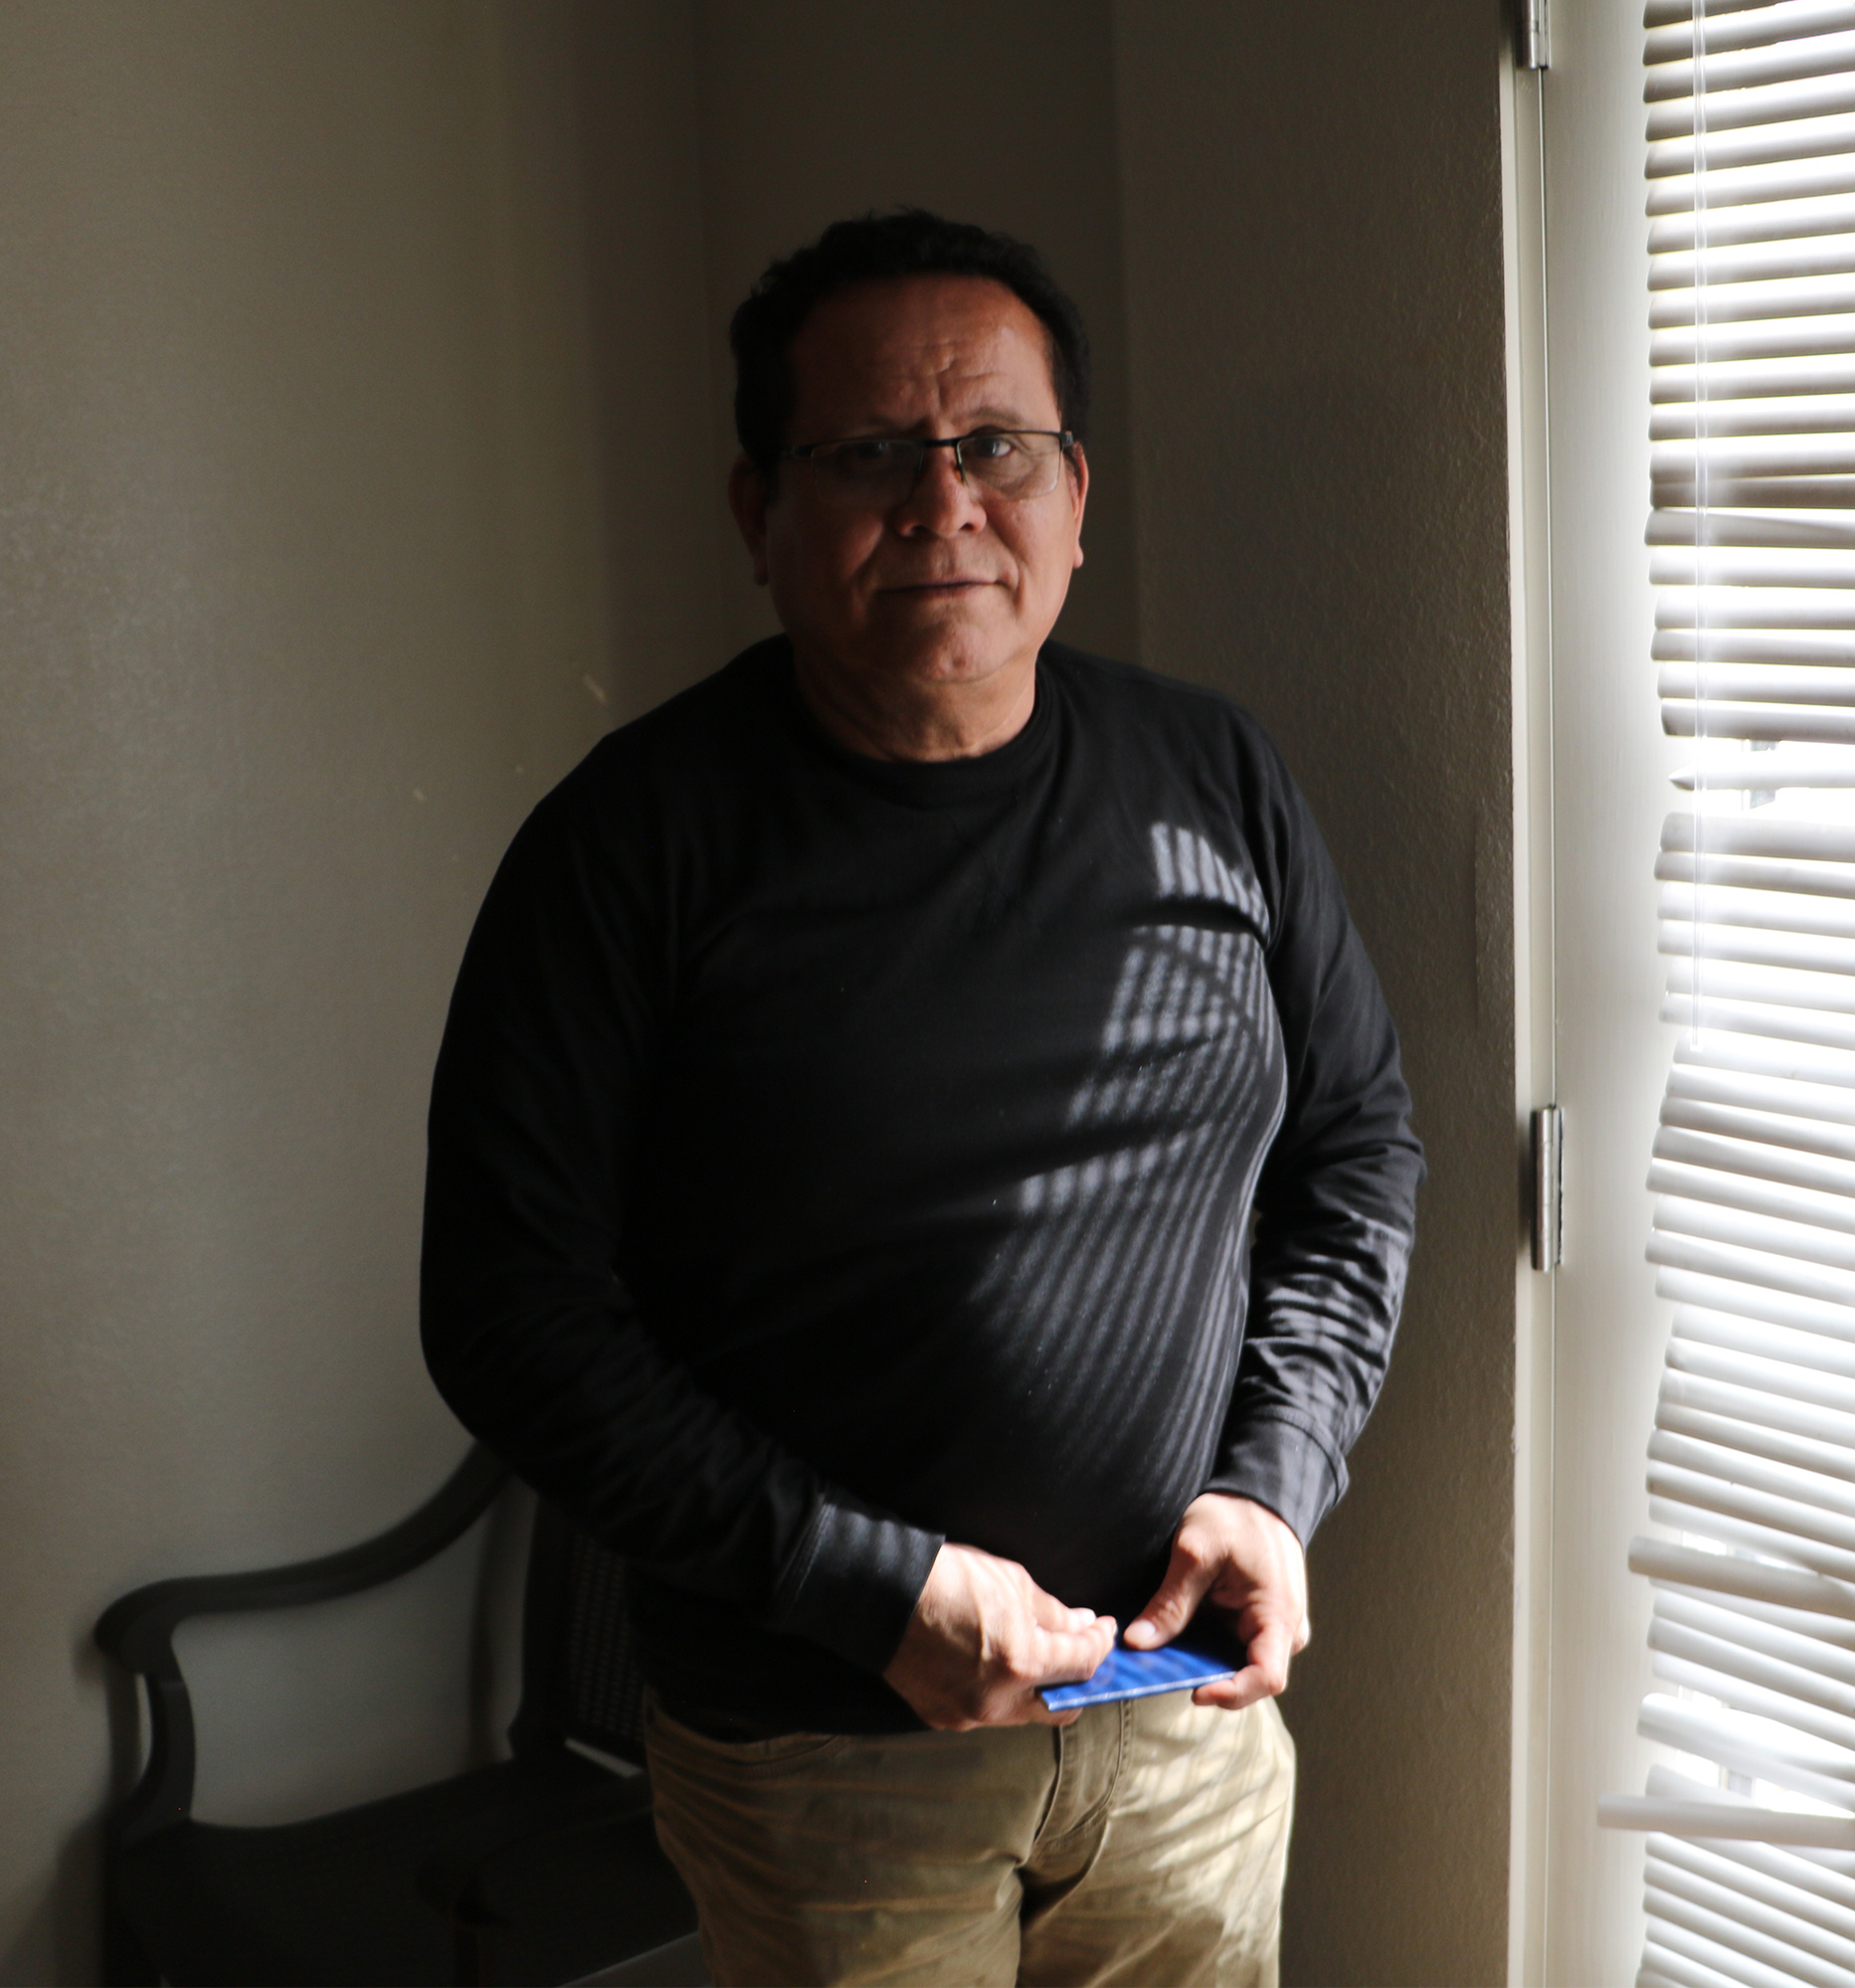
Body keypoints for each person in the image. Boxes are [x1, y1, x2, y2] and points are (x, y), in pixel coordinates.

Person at [420, 209, 1420, 1987]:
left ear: (1076, 494)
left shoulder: (1216, 779)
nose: (946, 501)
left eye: (997, 447)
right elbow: (508, 1315)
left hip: (1181, 1709)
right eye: (871, 453)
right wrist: (865, 1584)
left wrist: (1275, 1482)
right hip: (824, 1756)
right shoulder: (626, 848)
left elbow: (1354, 1154)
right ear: (759, 510)